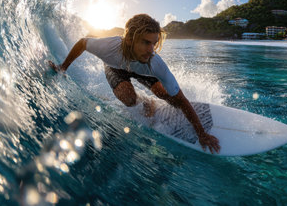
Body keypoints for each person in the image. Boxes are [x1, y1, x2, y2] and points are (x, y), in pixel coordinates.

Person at [49, 14, 220, 154]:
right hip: (115, 67)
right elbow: (82, 43)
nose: (151, 49)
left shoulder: (154, 62)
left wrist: (201, 133)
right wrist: (62, 67)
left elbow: (181, 99)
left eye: (154, 43)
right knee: (129, 99)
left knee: (168, 96)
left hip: (141, 69)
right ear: (130, 39)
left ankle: (154, 100)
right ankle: (146, 102)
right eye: (146, 42)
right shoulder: (108, 46)